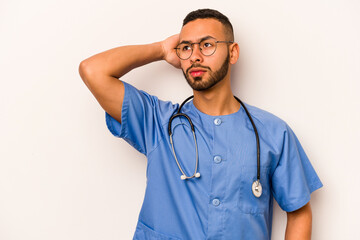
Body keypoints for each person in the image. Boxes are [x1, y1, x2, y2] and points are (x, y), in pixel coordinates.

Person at [79, 8, 323, 240]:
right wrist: (162, 49)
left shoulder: (273, 133)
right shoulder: (157, 122)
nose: (195, 56)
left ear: (233, 52)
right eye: (185, 47)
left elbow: (299, 211)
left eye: (207, 45)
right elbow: (92, 70)